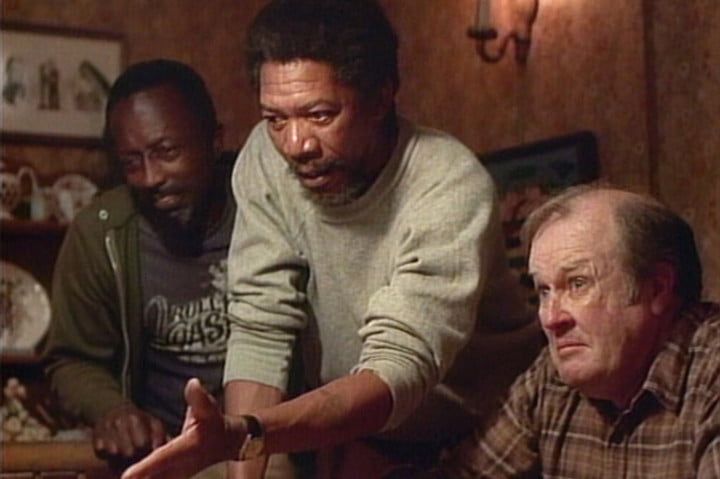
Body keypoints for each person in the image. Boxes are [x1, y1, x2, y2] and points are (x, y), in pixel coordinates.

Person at [122, 1, 540, 478]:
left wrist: (251, 433)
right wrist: (245, 457)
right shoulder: (267, 158)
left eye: (320, 115)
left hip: (489, 430)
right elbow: (262, 322)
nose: (295, 145)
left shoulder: (448, 183)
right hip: (363, 429)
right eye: (275, 119)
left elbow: (398, 366)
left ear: (382, 97)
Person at [436, 185, 720, 478]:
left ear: (658, 287)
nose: (550, 319)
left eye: (577, 284)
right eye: (544, 291)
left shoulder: (711, 370)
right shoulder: (552, 378)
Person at [44, 59, 237, 476]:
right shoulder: (102, 233)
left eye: (167, 152)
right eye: (132, 162)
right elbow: (71, 361)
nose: (150, 178)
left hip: (264, 442)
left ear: (215, 141)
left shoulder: (266, 211)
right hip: (160, 454)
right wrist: (112, 409)